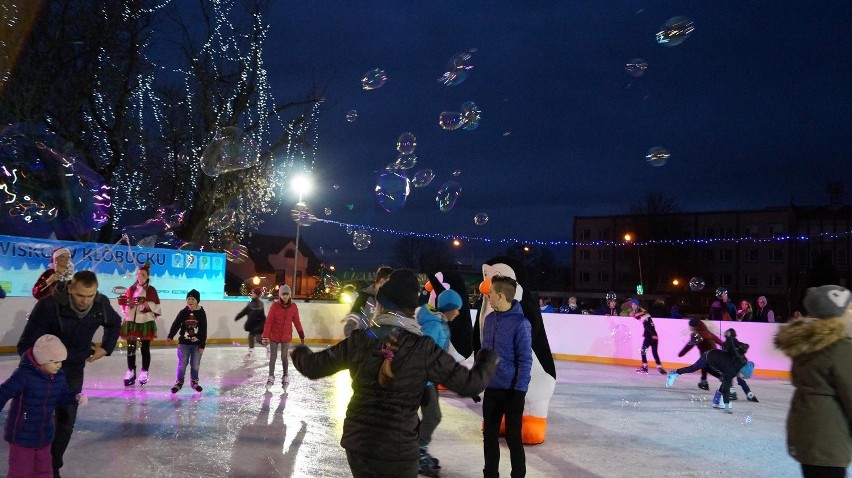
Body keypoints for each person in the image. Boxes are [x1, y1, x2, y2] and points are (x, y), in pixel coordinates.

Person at [291, 269, 498, 478]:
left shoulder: (359, 340)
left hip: (359, 445)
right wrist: (488, 357)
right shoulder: (423, 348)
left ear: (381, 305)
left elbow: (312, 366)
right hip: (398, 452)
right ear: (411, 311)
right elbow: (471, 384)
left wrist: (300, 351)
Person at [16, 270, 121, 478]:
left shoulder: (100, 305)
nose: (85, 301)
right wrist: (43, 364)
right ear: (70, 288)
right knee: (38, 421)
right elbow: (25, 344)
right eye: (81, 295)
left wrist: (106, 348)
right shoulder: (49, 305)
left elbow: (115, 322)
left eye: (90, 296)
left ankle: (52, 467)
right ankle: (31, 464)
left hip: (73, 371)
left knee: (66, 421)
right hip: (43, 372)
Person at [775, 285, 852, 478]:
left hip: (805, 427)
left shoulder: (807, 343)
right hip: (828, 435)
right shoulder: (840, 348)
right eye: (849, 308)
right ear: (838, 314)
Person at [1, 335, 88, 478]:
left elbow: (61, 396)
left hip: (44, 434)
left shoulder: (58, 376)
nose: (59, 365)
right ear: (42, 360)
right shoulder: (24, 375)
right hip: (22, 435)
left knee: (44, 470)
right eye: (54, 361)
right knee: (21, 471)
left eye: (61, 361)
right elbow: (4, 392)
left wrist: (75, 397)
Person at [481, 275, 532, 478]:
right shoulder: (489, 319)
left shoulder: (521, 323)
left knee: (513, 438)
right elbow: (484, 355)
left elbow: (525, 360)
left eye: (490, 293)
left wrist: (519, 392)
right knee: (489, 437)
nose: (487, 296)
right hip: (491, 389)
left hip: (512, 391)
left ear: (500, 296)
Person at [414, 288, 463, 477]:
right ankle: (418, 452)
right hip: (422, 381)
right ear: (448, 308)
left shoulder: (439, 321)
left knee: (423, 418)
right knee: (433, 416)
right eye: (456, 309)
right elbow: (425, 354)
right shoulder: (434, 325)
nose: (458, 313)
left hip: (428, 380)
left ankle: (417, 452)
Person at [666, 333, 755, 414]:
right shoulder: (732, 370)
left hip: (716, 359)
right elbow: (726, 388)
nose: (742, 377)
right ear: (742, 371)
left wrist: (729, 337)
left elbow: (733, 348)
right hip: (708, 357)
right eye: (743, 376)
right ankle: (674, 373)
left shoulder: (741, 361)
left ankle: (716, 400)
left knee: (725, 379)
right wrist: (727, 406)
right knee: (693, 368)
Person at [118, 262, 161, 386]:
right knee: (131, 348)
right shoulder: (131, 289)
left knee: (144, 349)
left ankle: (144, 371)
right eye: (138, 274)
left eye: (143, 274)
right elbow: (125, 306)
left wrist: (145, 303)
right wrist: (126, 305)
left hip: (144, 322)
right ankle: (131, 371)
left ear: (148, 276)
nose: (140, 276)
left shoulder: (151, 290)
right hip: (131, 322)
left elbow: (157, 307)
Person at [262, 284, 305, 392]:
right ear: (280, 295)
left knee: (284, 357)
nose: (285, 296)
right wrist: (265, 336)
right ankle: (271, 377)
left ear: (289, 295)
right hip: (274, 335)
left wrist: (301, 334)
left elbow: (297, 322)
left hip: (286, 336)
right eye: (283, 294)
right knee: (273, 357)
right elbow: (269, 322)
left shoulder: (293, 307)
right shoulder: (275, 306)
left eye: (287, 294)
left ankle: (285, 376)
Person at [166, 289, 207, 393]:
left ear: (197, 301)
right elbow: (176, 324)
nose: (190, 301)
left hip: (197, 344)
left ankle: (194, 382)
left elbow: (203, 329)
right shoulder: (183, 312)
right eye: (188, 299)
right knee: (182, 363)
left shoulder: (201, 313)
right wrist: (170, 336)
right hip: (184, 343)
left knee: (195, 364)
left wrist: (202, 345)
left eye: (193, 299)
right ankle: (179, 383)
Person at [343, 266, 394, 337]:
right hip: (365, 343)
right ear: (382, 281)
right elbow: (351, 323)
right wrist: (351, 339)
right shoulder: (363, 296)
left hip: (383, 344)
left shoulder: (390, 300)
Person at [677, 318, 723, 390]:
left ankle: (719, 377)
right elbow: (720, 342)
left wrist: (681, 354)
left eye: (690, 326)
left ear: (694, 326)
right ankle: (704, 381)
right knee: (703, 365)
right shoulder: (708, 332)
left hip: (707, 356)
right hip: (714, 354)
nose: (689, 328)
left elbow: (689, 346)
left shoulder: (696, 335)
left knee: (703, 366)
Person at [629, 299, 666, 375]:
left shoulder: (641, 311)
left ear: (638, 305)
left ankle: (645, 367)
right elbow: (647, 322)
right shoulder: (640, 313)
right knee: (654, 352)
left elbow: (647, 324)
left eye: (635, 304)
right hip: (653, 335)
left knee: (643, 351)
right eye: (632, 304)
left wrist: (652, 334)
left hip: (650, 336)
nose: (633, 306)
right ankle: (659, 366)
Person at [234, 287, 266, 359]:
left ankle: (267, 347)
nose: (252, 294)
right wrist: (238, 317)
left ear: (257, 295)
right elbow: (244, 311)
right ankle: (251, 351)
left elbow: (262, 316)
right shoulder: (251, 303)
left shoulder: (260, 304)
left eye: (253, 293)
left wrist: (262, 324)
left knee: (258, 338)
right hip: (252, 324)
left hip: (258, 324)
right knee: (250, 337)